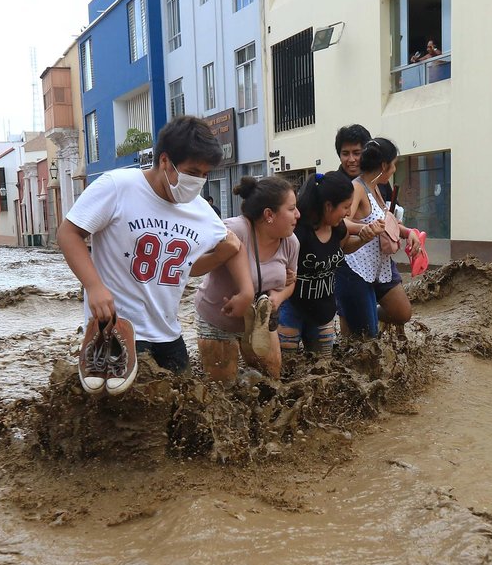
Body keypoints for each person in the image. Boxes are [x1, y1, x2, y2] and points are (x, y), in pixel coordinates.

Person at [58, 115, 254, 376]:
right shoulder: (118, 187)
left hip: (168, 334)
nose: (198, 182)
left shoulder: (200, 210)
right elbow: (68, 233)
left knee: (184, 409)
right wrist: (94, 286)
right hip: (120, 329)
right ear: (165, 161)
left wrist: (246, 292)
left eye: (205, 175)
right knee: (123, 411)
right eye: (193, 173)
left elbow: (225, 249)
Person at [195, 176, 299, 382]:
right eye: (292, 209)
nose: (298, 214)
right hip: (218, 319)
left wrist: (278, 297)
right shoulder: (234, 230)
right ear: (269, 214)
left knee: (271, 381)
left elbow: (292, 282)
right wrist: (219, 255)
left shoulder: (291, 242)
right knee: (223, 392)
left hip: (259, 323)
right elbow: (190, 265)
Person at [278, 171, 382, 355]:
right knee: (287, 369)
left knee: (323, 368)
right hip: (291, 309)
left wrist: (363, 240)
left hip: (323, 311)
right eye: (345, 207)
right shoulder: (298, 232)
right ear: (328, 206)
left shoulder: (339, 229)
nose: (349, 213)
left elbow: (343, 249)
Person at [344, 138, 421, 330]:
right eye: (394, 165)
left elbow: (385, 222)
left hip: (382, 265)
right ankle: (357, 315)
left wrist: (408, 232)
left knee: (402, 313)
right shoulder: (357, 188)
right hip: (357, 267)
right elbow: (342, 221)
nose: (394, 170)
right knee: (364, 336)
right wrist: (363, 229)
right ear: (384, 165)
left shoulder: (377, 187)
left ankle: (366, 313)